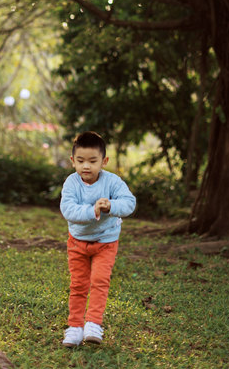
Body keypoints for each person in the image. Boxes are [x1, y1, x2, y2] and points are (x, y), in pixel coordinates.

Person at [60, 131, 136, 347]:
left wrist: (111, 206)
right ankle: (75, 327)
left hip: (106, 242)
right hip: (77, 242)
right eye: (81, 161)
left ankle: (93, 324)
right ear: (73, 161)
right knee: (78, 284)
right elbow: (68, 209)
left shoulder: (112, 181)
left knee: (100, 281)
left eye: (92, 161)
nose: (86, 166)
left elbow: (129, 203)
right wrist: (91, 210)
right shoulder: (71, 183)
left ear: (104, 161)